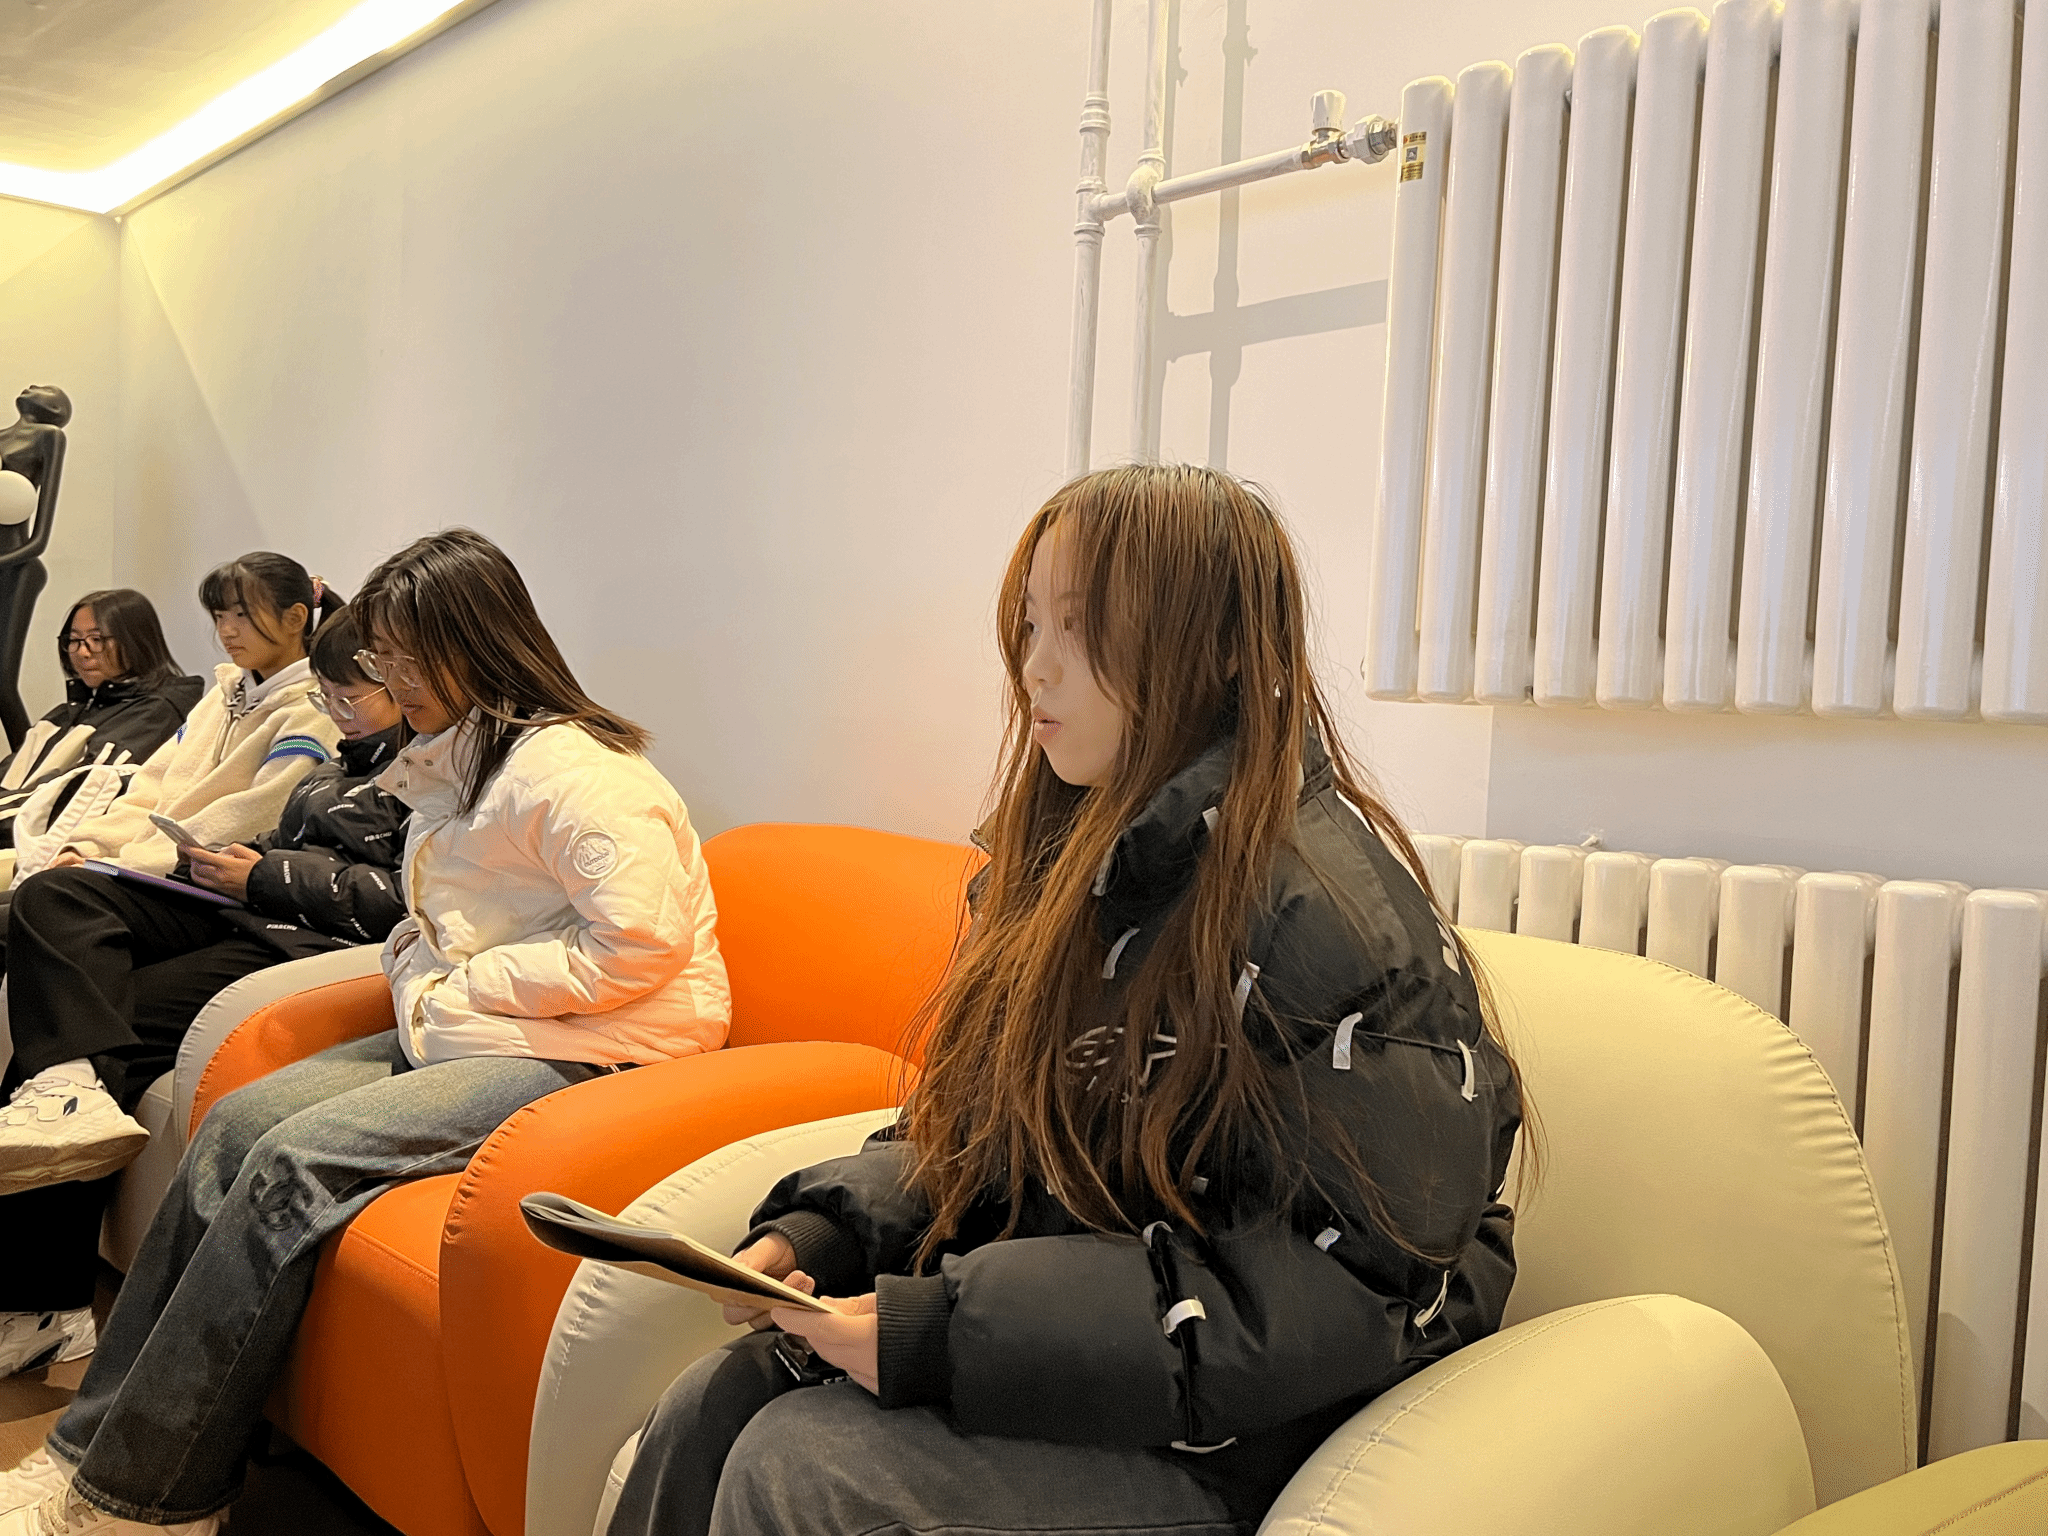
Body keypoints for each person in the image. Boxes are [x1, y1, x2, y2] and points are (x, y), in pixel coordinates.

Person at [603, 464, 1526, 1536]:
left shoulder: (1327, 924)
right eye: (1031, 623)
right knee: (710, 1408)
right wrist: (827, 1231)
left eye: (1081, 628)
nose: (1034, 666)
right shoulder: (1074, 865)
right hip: (1106, 1372)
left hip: (1246, 1436)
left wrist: (939, 1331)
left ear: (1219, 647)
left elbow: (1341, 1293)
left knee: (804, 1469)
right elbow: (989, 1141)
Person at [0, 528, 730, 1535]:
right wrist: (427, 969)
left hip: (599, 1047)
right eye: (379, 658)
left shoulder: (581, 774)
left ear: (470, 644)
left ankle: (146, 1501)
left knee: (289, 1163)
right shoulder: (458, 758)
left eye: (400, 660)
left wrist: (458, 982)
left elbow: (637, 953)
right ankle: (88, 1452)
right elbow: (442, 912)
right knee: (232, 1126)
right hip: (481, 1027)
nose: (386, 681)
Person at [0, 609, 410, 1380]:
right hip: (249, 903)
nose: (339, 713)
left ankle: (38, 1305)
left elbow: (401, 897)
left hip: (302, 944)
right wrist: (231, 862)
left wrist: (264, 872)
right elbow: (285, 840)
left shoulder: (435, 772)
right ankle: (67, 1092)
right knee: (56, 909)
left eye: (352, 697)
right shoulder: (341, 758)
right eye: (329, 697)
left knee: (88, 1025)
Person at [9, 553, 343, 884]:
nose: (226, 630)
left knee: (43, 895)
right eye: (219, 616)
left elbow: (254, 816)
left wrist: (116, 865)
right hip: (143, 868)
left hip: (205, 881)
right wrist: (88, 848)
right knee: (41, 886)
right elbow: (149, 787)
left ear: (295, 618)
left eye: (241, 615)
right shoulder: (221, 697)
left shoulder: (315, 708)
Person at [0, 590, 203, 849]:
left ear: (135, 641)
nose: (82, 652)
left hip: (67, 849)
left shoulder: (157, 712)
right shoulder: (68, 712)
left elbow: (76, 798)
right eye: (74, 640)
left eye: (96, 639)